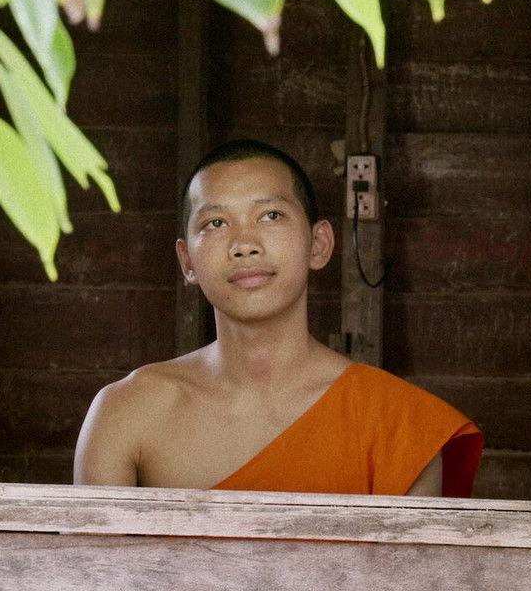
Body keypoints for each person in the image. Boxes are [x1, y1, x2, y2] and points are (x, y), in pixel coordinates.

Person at [74, 139, 482, 496]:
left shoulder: (399, 424)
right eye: (216, 223)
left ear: (318, 244)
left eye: (270, 215)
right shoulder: (127, 413)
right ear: (188, 262)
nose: (244, 244)